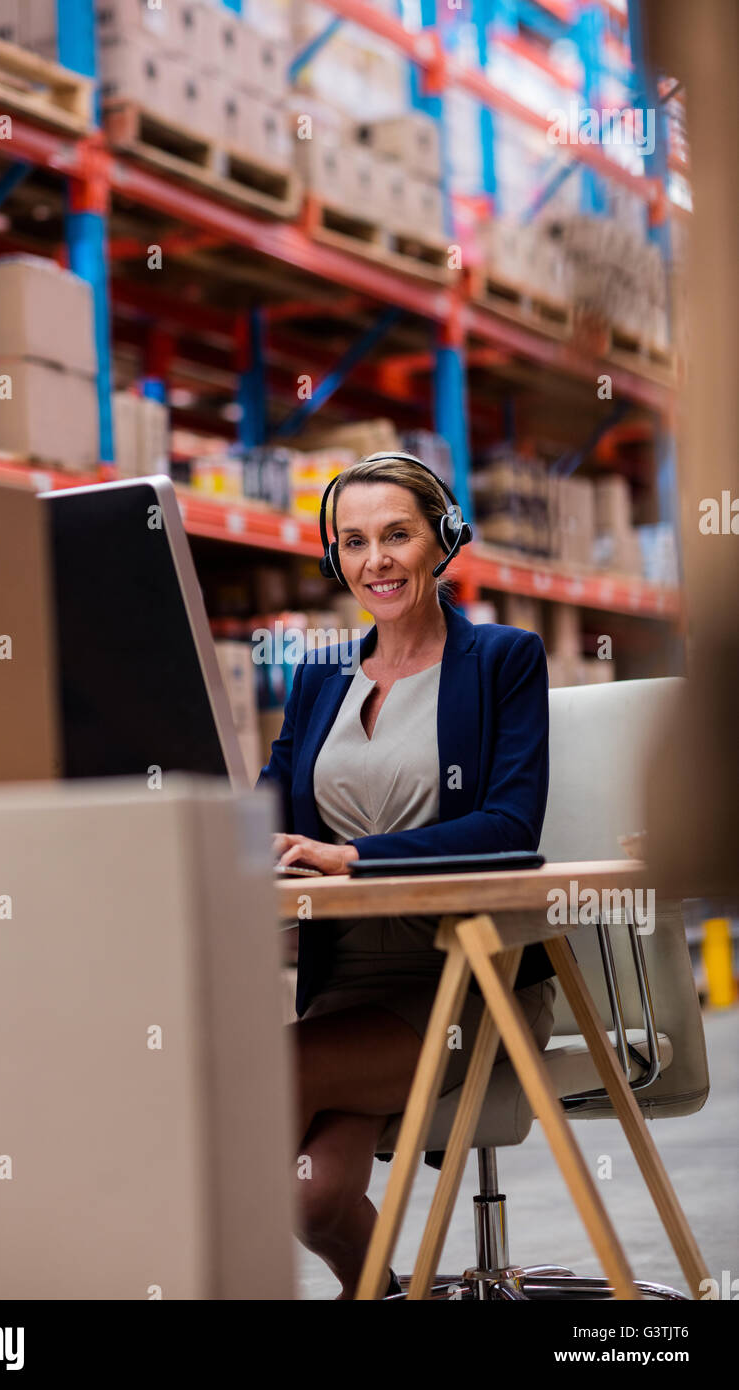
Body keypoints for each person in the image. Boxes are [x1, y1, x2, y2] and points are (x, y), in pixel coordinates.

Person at [256, 454, 556, 1300]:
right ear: (334, 560)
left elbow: (508, 828)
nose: (375, 561)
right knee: (316, 1199)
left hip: (466, 977)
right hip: (346, 982)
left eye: (397, 535)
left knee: (262, 1076)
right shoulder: (319, 680)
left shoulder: (503, 662)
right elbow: (269, 811)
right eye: (353, 542)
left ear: (443, 541)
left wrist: (352, 857)